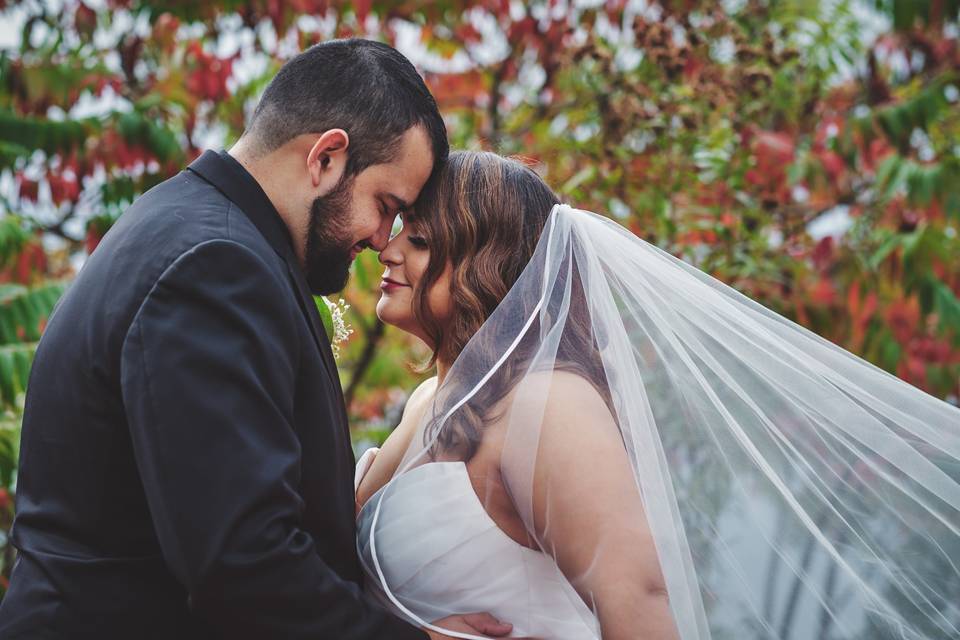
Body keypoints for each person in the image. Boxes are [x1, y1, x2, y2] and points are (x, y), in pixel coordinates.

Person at [0, 40, 516, 640]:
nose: (382, 239)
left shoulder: (188, 226)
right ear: (326, 157)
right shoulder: (215, 266)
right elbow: (242, 563)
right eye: (385, 205)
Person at [355, 151, 960, 639]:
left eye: (424, 241)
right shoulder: (429, 401)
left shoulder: (544, 402)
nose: (389, 250)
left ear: (487, 262)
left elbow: (639, 596)